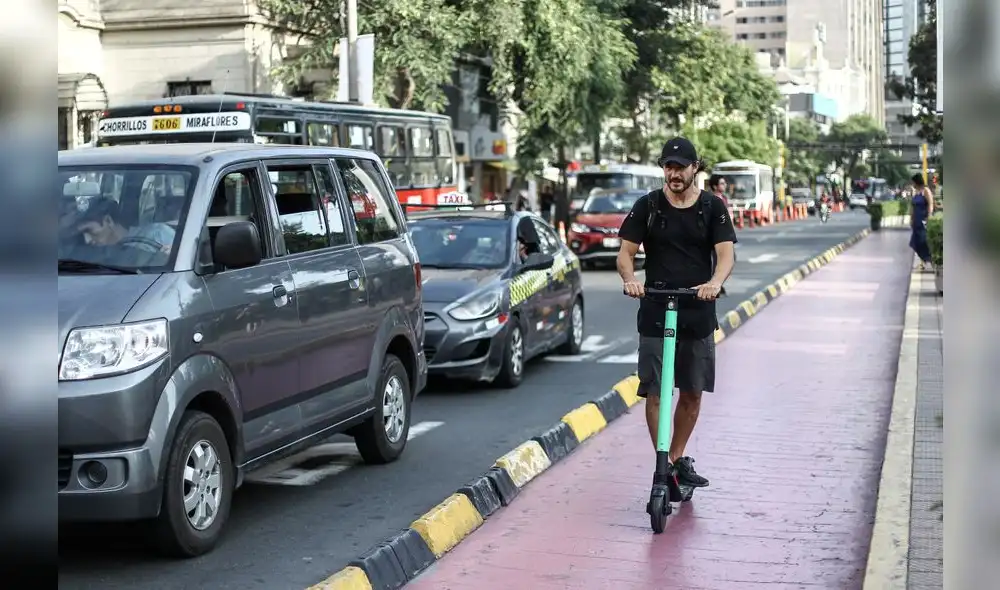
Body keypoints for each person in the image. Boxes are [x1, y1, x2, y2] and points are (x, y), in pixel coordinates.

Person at [617, 137, 737, 489]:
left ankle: (674, 459)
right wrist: (630, 278)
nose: (674, 173)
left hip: (698, 308)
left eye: (680, 167)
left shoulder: (712, 207)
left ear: (695, 168)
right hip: (656, 307)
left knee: (692, 392)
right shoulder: (648, 205)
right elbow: (626, 253)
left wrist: (714, 281)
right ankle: (664, 465)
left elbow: (726, 255)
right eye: (668, 167)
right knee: (655, 392)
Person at [76, 197, 175, 254]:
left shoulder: (158, 234)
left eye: (90, 231)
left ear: (108, 220)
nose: (87, 240)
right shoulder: (93, 259)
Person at [909, 173, 935, 270]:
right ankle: (923, 261)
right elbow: (912, 206)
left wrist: (929, 216)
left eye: (913, 182)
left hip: (923, 219)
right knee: (915, 242)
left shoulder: (926, 191)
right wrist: (911, 218)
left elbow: (930, 204)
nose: (912, 184)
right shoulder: (916, 192)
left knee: (922, 241)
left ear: (917, 181)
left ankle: (928, 261)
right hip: (916, 220)